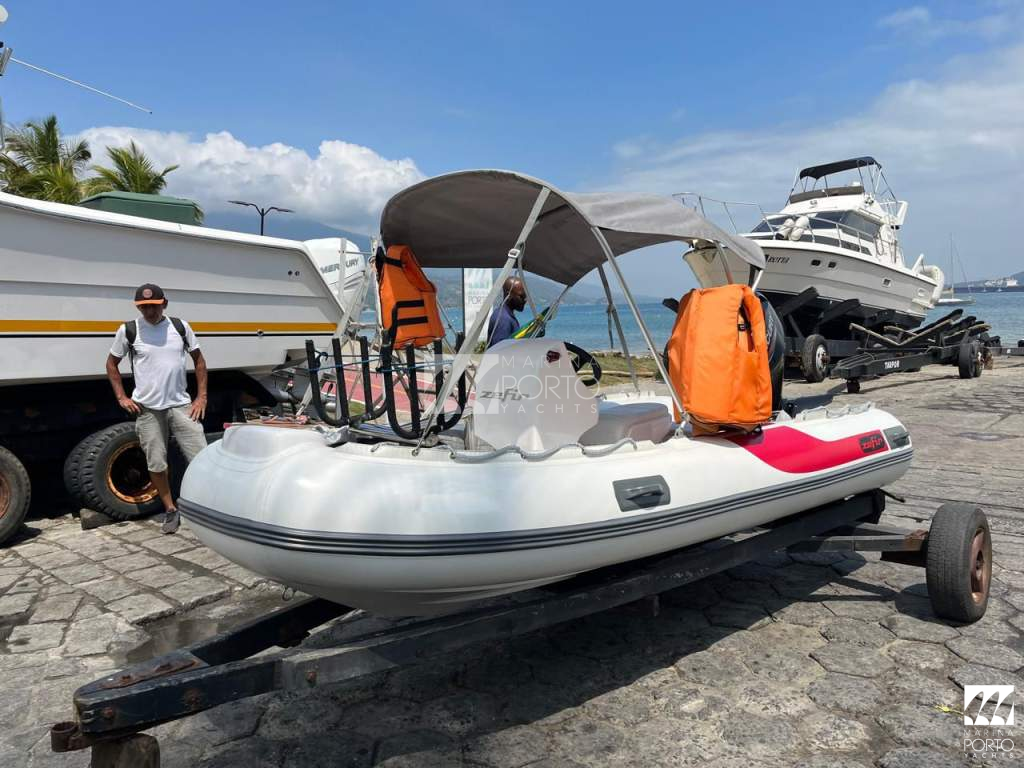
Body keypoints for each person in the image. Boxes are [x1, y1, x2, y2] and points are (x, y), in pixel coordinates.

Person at [106, 283, 208, 534]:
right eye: (144, 307)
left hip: (181, 405)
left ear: (164, 304)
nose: (149, 311)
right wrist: (121, 397)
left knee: (202, 458)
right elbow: (111, 364)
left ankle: (207, 506)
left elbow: (199, 360)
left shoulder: (180, 327)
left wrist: (201, 397)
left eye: (154, 306)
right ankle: (171, 509)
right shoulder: (129, 330)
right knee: (156, 462)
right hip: (148, 408)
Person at [486, 277, 527, 348]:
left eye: (525, 296)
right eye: (521, 296)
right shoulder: (504, 319)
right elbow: (499, 350)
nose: (525, 300)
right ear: (509, 295)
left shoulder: (503, 314)